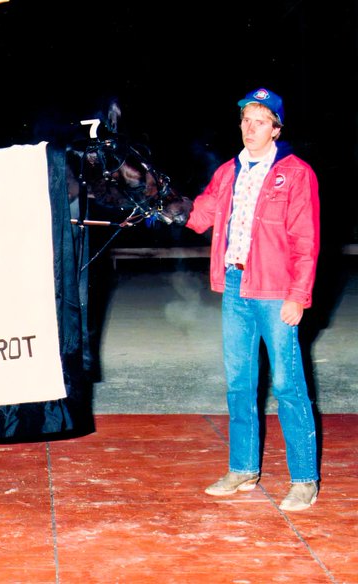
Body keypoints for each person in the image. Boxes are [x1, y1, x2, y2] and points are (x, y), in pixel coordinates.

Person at [187, 88, 321, 512]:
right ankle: (243, 468)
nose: (250, 128)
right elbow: (199, 215)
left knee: (287, 384)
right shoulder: (229, 171)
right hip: (235, 288)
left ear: (276, 128)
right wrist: (155, 204)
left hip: (276, 291)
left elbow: (306, 240)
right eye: (246, 119)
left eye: (260, 121)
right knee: (240, 383)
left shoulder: (296, 173)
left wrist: (298, 295)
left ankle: (304, 479)